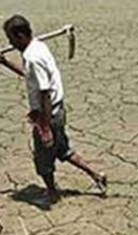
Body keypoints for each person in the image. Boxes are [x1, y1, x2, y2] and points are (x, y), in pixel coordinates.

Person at [0, 15, 106, 207]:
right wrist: (5, 63)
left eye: (11, 38)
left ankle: (51, 194)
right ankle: (97, 175)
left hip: (49, 114)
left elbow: (45, 93)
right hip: (57, 110)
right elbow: (30, 77)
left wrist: (45, 126)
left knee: (42, 160)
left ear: (21, 36)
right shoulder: (38, 47)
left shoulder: (33, 58)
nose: (10, 43)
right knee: (62, 150)